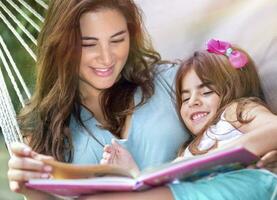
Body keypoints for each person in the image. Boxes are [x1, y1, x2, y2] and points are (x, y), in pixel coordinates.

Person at [6, 0, 276, 199]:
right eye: (88, 44)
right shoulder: (45, 130)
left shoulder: (176, 81)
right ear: (62, 45)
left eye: (117, 39)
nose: (106, 57)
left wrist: (267, 148)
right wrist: (32, 188)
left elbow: (239, 115)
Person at [94, 39, 277, 200]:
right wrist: (132, 172)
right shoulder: (188, 150)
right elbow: (163, 184)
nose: (193, 102)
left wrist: (236, 149)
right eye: (185, 98)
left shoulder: (234, 111)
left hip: (248, 184)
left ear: (234, 89)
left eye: (206, 92)